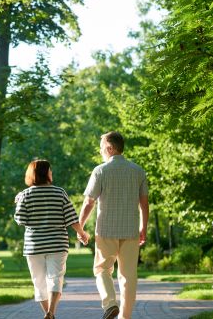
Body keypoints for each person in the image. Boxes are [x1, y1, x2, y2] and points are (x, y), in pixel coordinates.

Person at [78, 131, 149, 319]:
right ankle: (125, 317)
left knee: (102, 269)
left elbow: (89, 202)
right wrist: (144, 227)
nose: (101, 152)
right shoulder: (138, 171)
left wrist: (80, 226)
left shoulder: (100, 171)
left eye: (102, 148)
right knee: (128, 276)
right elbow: (144, 203)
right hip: (131, 231)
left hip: (106, 230)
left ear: (110, 148)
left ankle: (110, 303)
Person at [15, 159, 89, 319]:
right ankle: (51, 312)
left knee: (39, 281)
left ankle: (48, 314)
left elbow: (20, 219)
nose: (51, 173)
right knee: (56, 277)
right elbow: (71, 218)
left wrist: (18, 201)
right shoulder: (59, 192)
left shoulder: (25, 195)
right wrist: (82, 233)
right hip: (57, 244)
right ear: (45, 173)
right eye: (50, 170)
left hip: (34, 245)